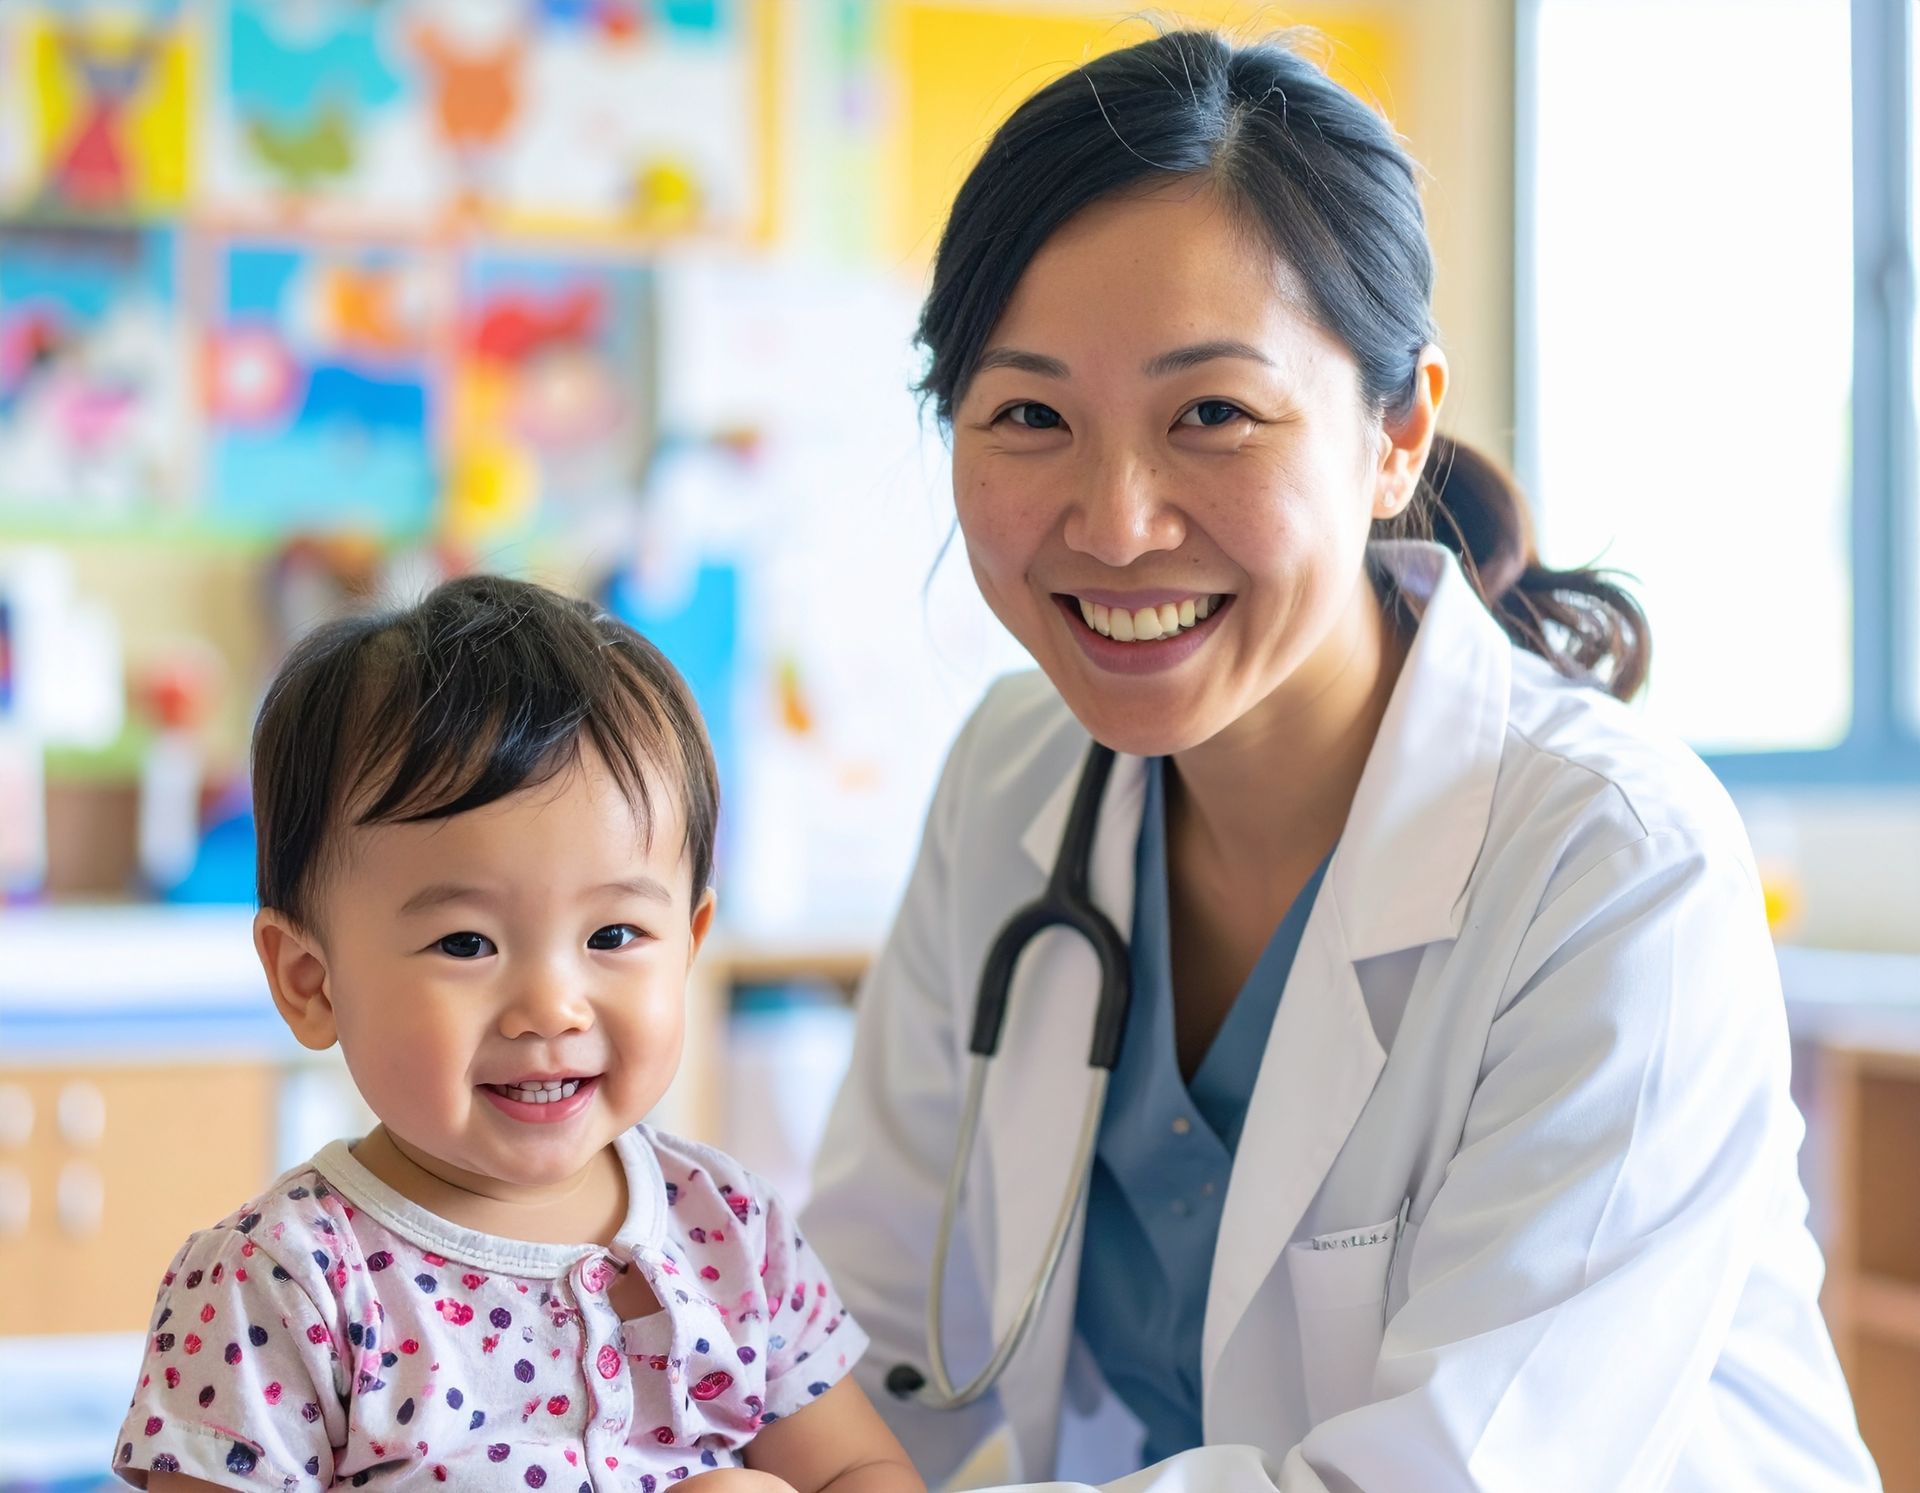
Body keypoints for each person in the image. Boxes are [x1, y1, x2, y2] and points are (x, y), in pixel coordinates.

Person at [801, 26, 1881, 1492]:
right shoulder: (1010, 784)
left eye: (1214, 416)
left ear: (1396, 432)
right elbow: (863, 1349)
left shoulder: (1616, 863)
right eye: (1031, 416)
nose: (1114, 524)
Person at [114, 577, 921, 1493]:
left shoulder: (728, 1227)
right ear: (311, 981)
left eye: (613, 936)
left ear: (688, 946)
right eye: (467, 942)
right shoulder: (282, 1283)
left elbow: (857, 1466)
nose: (552, 1006)